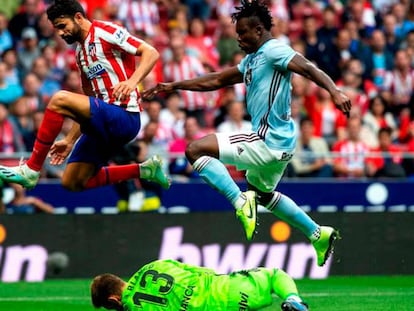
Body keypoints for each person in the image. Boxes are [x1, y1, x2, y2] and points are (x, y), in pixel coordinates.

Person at [144, 0, 351, 266]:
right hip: (283, 145)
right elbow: (216, 79)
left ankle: (239, 201)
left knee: (195, 150)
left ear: (259, 30)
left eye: (243, 33)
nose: (239, 38)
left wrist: (334, 90)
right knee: (263, 195)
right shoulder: (252, 60)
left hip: (267, 139)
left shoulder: (274, 50)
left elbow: (309, 68)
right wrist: (173, 85)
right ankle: (318, 234)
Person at [0, 0, 170, 192]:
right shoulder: (81, 53)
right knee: (72, 182)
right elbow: (89, 105)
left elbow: (151, 52)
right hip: (103, 123)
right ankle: (144, 170)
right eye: (56, 29)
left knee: (59, 99)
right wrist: (70, 140)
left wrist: (132, 82)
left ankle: (31, 169)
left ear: (78, 18)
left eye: (62, 26)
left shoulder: (106, 30)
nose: (60, 33)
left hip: (124, 116)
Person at [90, 259, 309, 311]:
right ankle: (292, 300)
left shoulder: (133, 307)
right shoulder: (153, 266)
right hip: (231, 290)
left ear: (113, 300)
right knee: (274, 275)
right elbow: (201, 271)